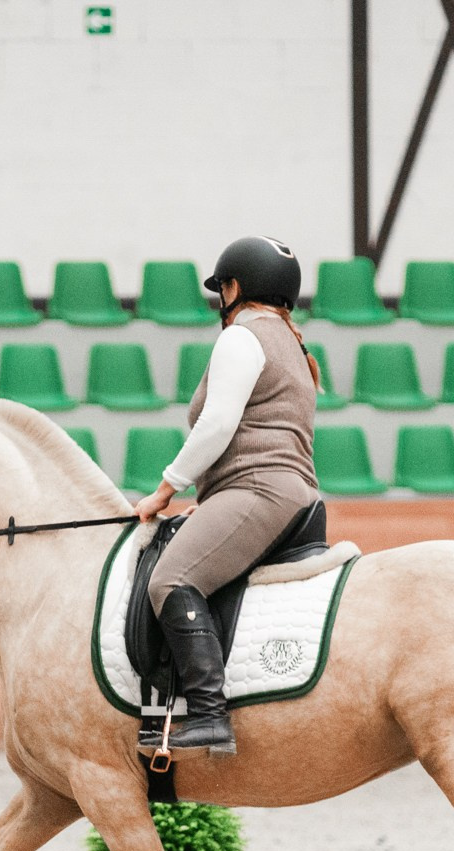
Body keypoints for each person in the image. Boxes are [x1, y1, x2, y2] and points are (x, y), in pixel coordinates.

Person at [133, 235, 324, 757]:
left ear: (235, 287)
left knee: (169, 579)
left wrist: (163, 489)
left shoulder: (241, 337)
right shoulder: (292, 343)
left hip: (260, 491)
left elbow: (219, 425)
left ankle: (209, 717)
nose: (221, 299)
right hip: (285, 494)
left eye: (222, 289)